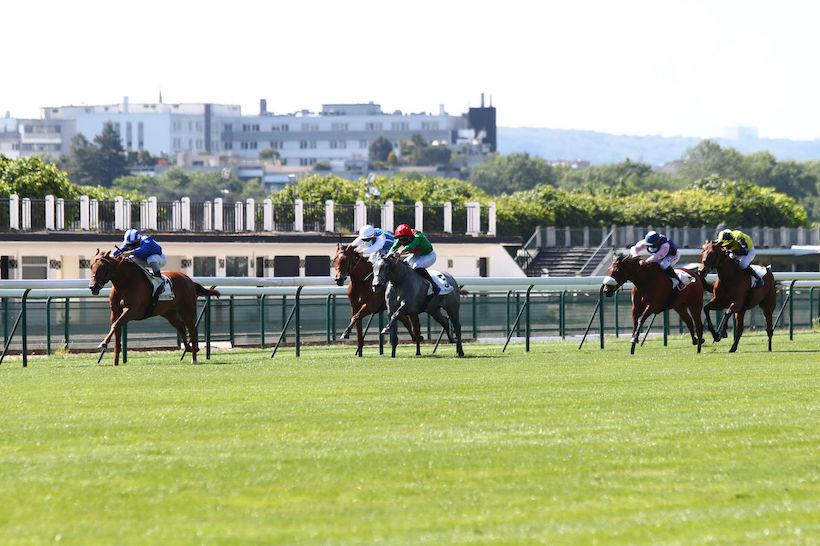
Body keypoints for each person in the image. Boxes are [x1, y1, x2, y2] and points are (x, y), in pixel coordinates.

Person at [389, 223, 439, 295]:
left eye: (403, 239)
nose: (402, 241)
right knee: (405, 264)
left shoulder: (417, 236)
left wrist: (400, 251)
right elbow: (393, 247)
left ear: (409, 236)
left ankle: (434, 285)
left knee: (416, 266)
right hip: (417, 255)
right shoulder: (403, 236)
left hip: (429, 255)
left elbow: (411, 246)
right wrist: (389, 255)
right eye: (400, 239)